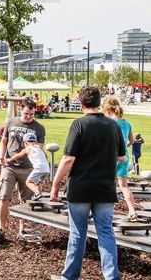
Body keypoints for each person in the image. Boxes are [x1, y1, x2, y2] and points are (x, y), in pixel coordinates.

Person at [50, 86, 125, 280]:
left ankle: (70, 276)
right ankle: (111, 276)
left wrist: (55, 184)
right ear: (99, 103)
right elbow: (122, 157)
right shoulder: (113, 125)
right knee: (106, 233)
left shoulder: (79, 124)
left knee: (78, 233)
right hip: (105, 188)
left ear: (81, 104)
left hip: (81, 187)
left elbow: (68, 159)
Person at [0, 99, 45, 244]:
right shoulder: (11, 122)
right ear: (21, 109)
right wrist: (2, 155)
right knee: (4, 196)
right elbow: (4, 141)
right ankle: (1, 230)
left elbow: (38, 149)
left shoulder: (39, 128)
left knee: (26, 200)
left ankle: (22, 230)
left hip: (28, 168)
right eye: (27, 113)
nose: (29, 117)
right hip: (9, 166)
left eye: (32, 114)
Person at [102, 97, 139, 221]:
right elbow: (132, 141)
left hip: (111, 158)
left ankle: (102, 211)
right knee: (124, 186)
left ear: (107, 111)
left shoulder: (109, 123)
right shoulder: (127, 123)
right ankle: (132, 212)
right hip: (124, 158)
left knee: (105, 184)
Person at [6, 132, 50, 202]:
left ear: (25, 143)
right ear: (36, 141)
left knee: (28, 182)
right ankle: (40, 194)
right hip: (47, 168)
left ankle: (38, 193)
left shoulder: (28, 148)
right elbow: (46, 156)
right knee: (38, 182)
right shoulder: (39, 147)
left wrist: (10, 160)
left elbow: (18, 155)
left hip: (39, 167)